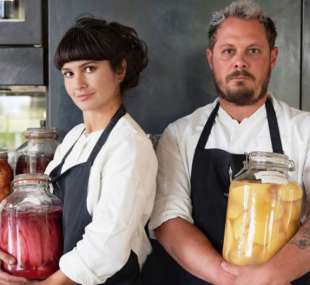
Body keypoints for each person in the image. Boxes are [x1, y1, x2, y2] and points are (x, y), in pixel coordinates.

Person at [141, 1, 310, 284]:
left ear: (273, 57)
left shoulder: (304, 130)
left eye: (253, 51)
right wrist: (227, 277)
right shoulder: (181, 134)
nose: (239, 62)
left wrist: (268, 276)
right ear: (211, 58)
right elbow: (169, 220)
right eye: (228, 51)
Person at [0, 17, 157, 285]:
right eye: (68, 73)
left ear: (120, 70)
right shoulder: (74, 138)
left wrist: (50, 284)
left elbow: (106, 245)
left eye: (90, 68)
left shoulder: (129, 145)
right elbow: (41, 208)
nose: (78, 83)